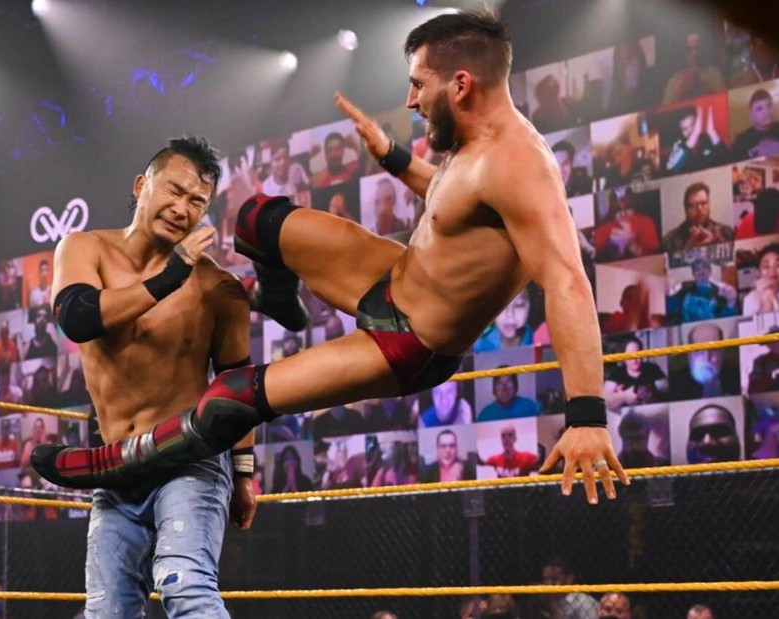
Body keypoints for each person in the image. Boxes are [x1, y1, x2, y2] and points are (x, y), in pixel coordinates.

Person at [33, 8, 627, 506]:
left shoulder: (520, 165)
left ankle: (112, 465)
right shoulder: (475, 141)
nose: (411, 99)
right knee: (257, 218)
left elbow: (569, 282)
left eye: (419, 84)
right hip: (394, 278)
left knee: (232, 398)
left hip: (411, 342)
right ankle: (280, 301)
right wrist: (392, 155)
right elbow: (455, 207)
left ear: (461, 84)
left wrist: (587, 415)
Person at [34, 137, 258, 618]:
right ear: (141, 186)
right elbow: (78, 317)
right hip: (115, 467)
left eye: (197, 201)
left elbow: (237, 383)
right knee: (107, 610)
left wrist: (243, 476)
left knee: (185, 584)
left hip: (189, 459)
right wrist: (170, 276)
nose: (182, 208)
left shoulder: (219, 288)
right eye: (174, 190)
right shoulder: (83, 247)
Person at [670, 322, 740, 400]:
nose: (707, 357)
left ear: (722, 352)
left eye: (713, 349)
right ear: (689, 354)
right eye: (699, 350)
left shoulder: (737, 378)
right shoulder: (674, 384)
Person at [593, 187, 660, 262]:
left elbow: (655, 257)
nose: (623, 213)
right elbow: (596, 258)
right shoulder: (603, 229)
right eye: (618, 209)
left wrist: (631, 243)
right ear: (612, 211)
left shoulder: (646, 222)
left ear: (634, 207)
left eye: (627, 207)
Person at [662, 182, 733, 252]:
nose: (699, 209)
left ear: (709, 205)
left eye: (704, 203)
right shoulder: (669, 242)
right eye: (693, 205)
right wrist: (688, 250)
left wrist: (722, 247)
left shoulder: (726, 232)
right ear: (686, 209)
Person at [665, 254, 738, 323]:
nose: (701, 271)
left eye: (705, 267)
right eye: (697, 269)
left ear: (709, 271)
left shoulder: (719, 292)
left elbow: (726, 320)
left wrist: (731, 301)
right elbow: (671, 307)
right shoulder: (685, 289)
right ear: (693, 274)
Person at [662, 32, 727, 105]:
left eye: (697, 49)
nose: (694, 53)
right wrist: (682, 89)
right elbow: (666, 111)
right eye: (689, 50)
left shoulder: (713, 73)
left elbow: (725, 101)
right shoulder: (675, 81)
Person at [603, 337, 668, 408]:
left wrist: (651, 395)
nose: (634, 360)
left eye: (637, 354)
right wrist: (623, 396)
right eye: (629, 355)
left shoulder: (652, 369)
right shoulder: (617, 373)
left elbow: (666, 391)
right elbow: (605, 400)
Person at [663, 106, 727, 176]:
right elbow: (671, 169)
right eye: (685, 129)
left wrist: (712, 132)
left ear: (697, 123)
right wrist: (694, 135)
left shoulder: (707, 139)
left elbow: (726, 161)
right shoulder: (679, 145)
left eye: (692, 125)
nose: (690, 131)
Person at [473, 287, 534, 351]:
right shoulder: (479, 347)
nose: (510, 315)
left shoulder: (539, 338)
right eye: (501, 306)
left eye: (518, 304)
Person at [730, 89, 779, 160]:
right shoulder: (742, 140)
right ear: (751, 114)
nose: (766, 112)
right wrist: (755, 152)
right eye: (759, 109)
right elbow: (732, 164)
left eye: (769, 106)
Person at [261, 139, 311, 206]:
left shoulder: (296, 169)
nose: (282, 163)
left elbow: (307, 191)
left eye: (286, 158)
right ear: (271, 163)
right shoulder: (266, 186)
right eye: (277, 159)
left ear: (290, 159)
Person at [742, 243, 779, 315]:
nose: (772, 272)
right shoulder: (750, 299)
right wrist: (766, 303)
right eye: (766, 266)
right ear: (759, 272)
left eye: (778, 265)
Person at [747, 326, 779, 392]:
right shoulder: (760, 361)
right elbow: (753, 389)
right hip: (769, 400)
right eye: (771, 341)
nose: (776, 343)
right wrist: (772, 377)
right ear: (767, 344)